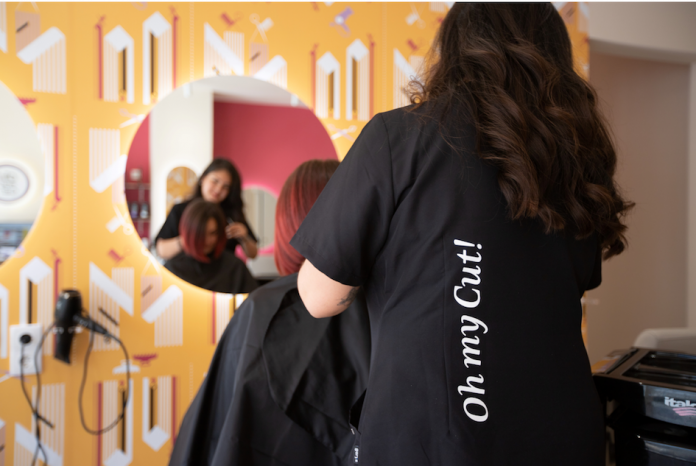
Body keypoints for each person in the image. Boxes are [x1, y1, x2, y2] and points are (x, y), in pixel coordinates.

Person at [292, 4, 634, 466]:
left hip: (437, 441)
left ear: (456, 48)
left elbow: (320, 296)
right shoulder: (580, 161)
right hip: (564, 434)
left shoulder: (400, 138)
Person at [169, 159, 370, 466]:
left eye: (225, 185)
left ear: (290, 224)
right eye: (215, 182)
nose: (219, 189)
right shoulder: (396, 308)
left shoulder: (261, 306)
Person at [155, 159, 258, 260]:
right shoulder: (181, 210)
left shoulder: (232, 215)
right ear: (203, 178)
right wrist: (188, 238)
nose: (218, 189)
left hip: (222, 271)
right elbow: (161, 250)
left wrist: (244, 238)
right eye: (215, 181)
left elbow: (253, 254)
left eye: (226, 187)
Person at [164, 199, 258, 294]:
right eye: (201, 234)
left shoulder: (235, 268)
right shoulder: (172, 270)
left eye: (213, 233)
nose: (207, 241)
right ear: (190, 233)